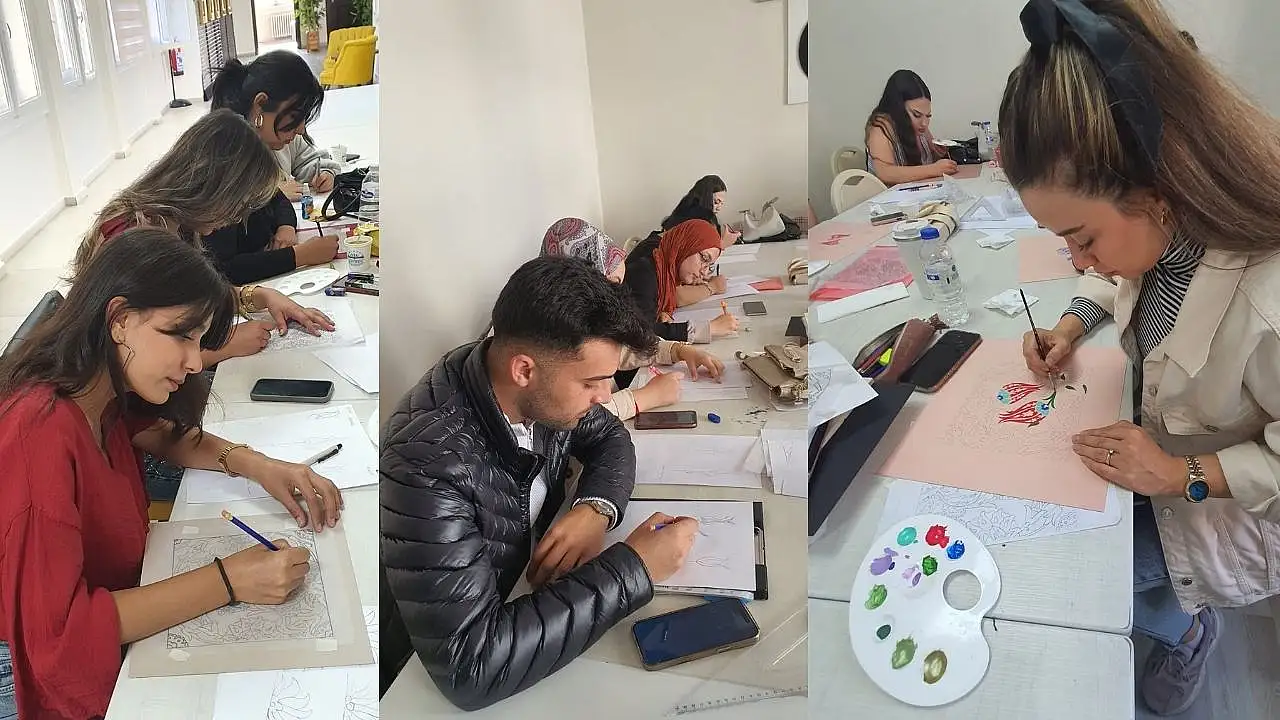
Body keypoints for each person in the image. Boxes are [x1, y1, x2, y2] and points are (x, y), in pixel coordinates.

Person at [1000, 0, 1280, 714]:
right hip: (1158, 456)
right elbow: (1121, 270)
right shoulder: (1164, 226)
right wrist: (1070, 327)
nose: (1077, 258)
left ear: (1157, 195)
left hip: (1227, 514)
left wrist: (1180, 474)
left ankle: (1189, 629)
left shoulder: (1268, 299)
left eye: (1082, 238)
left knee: (1069, 575)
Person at [0, 229, 344, 719]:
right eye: (181, 335)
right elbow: (60, 639)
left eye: (200, 341)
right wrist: (228, 580)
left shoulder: (96, 389)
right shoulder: (38, 436)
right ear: (119, 320)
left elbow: (161, 434)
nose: (194, 361)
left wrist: (261, 466)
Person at [379, 256, 700, 709]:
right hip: (419, 674)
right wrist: (636, 568)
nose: (605, 396)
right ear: (524, 370)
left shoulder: (529, 387)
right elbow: (470, 666)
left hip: (528, 591)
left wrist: (594, 509)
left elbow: (610, 437)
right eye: (593, 382)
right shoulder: (425, 464)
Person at [72, 109, 337, 369]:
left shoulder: (175, 221)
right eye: (238, 205)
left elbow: (192, 296)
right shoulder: (136, 240)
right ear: (212, 187)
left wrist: (261, 296)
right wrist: (223, 348)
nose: (236, 218)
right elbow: (129, 358)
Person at [541, 218, 724, 419]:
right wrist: (643, 398)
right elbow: (574, 421)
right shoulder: (552, 338)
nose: (617, 300)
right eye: (611, 287)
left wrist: (676, 350)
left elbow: (621, 349)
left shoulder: (579, 318)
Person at [207, 52, 342, 284]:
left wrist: (286, 226)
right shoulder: (222, 163)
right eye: (295, 117)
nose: (300, 129)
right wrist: (300, 255)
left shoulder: (253, 153)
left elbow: (277, 199)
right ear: (260, 105)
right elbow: (222, 268)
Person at [623, 218, 741, 343]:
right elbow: (643, 333)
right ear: (685, 246)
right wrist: (710, 328)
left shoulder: (666, 271)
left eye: (709, 266)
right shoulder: (644, 273)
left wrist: (660, 312)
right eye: (704, 259)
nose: (704, 272)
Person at [865, 69, 959, 186]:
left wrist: (938, 153)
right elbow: (885, 173)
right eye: (916, 115)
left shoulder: (920, 126)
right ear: (898, 108)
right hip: (889, 195)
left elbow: (926, 162)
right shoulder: (881, 127)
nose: (924, 123)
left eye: (928, 116)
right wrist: (934, 169)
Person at [660, 175, 742, 247]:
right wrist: (723, 244)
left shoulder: (688, 211)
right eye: (716, 202)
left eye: (722, 203)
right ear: (705, 198)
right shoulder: (695, 221)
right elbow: (702, 254)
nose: (719, 208)